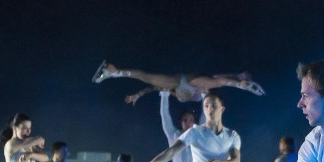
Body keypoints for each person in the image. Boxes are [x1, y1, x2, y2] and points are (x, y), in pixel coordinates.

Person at [93, 61, 265, 105]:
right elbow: (218, 79)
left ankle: (113, 73)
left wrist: (138, 95)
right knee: (216, 81)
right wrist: (239, 80)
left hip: (181, 86)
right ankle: (113, 73)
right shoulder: (206, 85)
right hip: (186, 81)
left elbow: (156, 87)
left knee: (147, 78)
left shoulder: (198, 97)